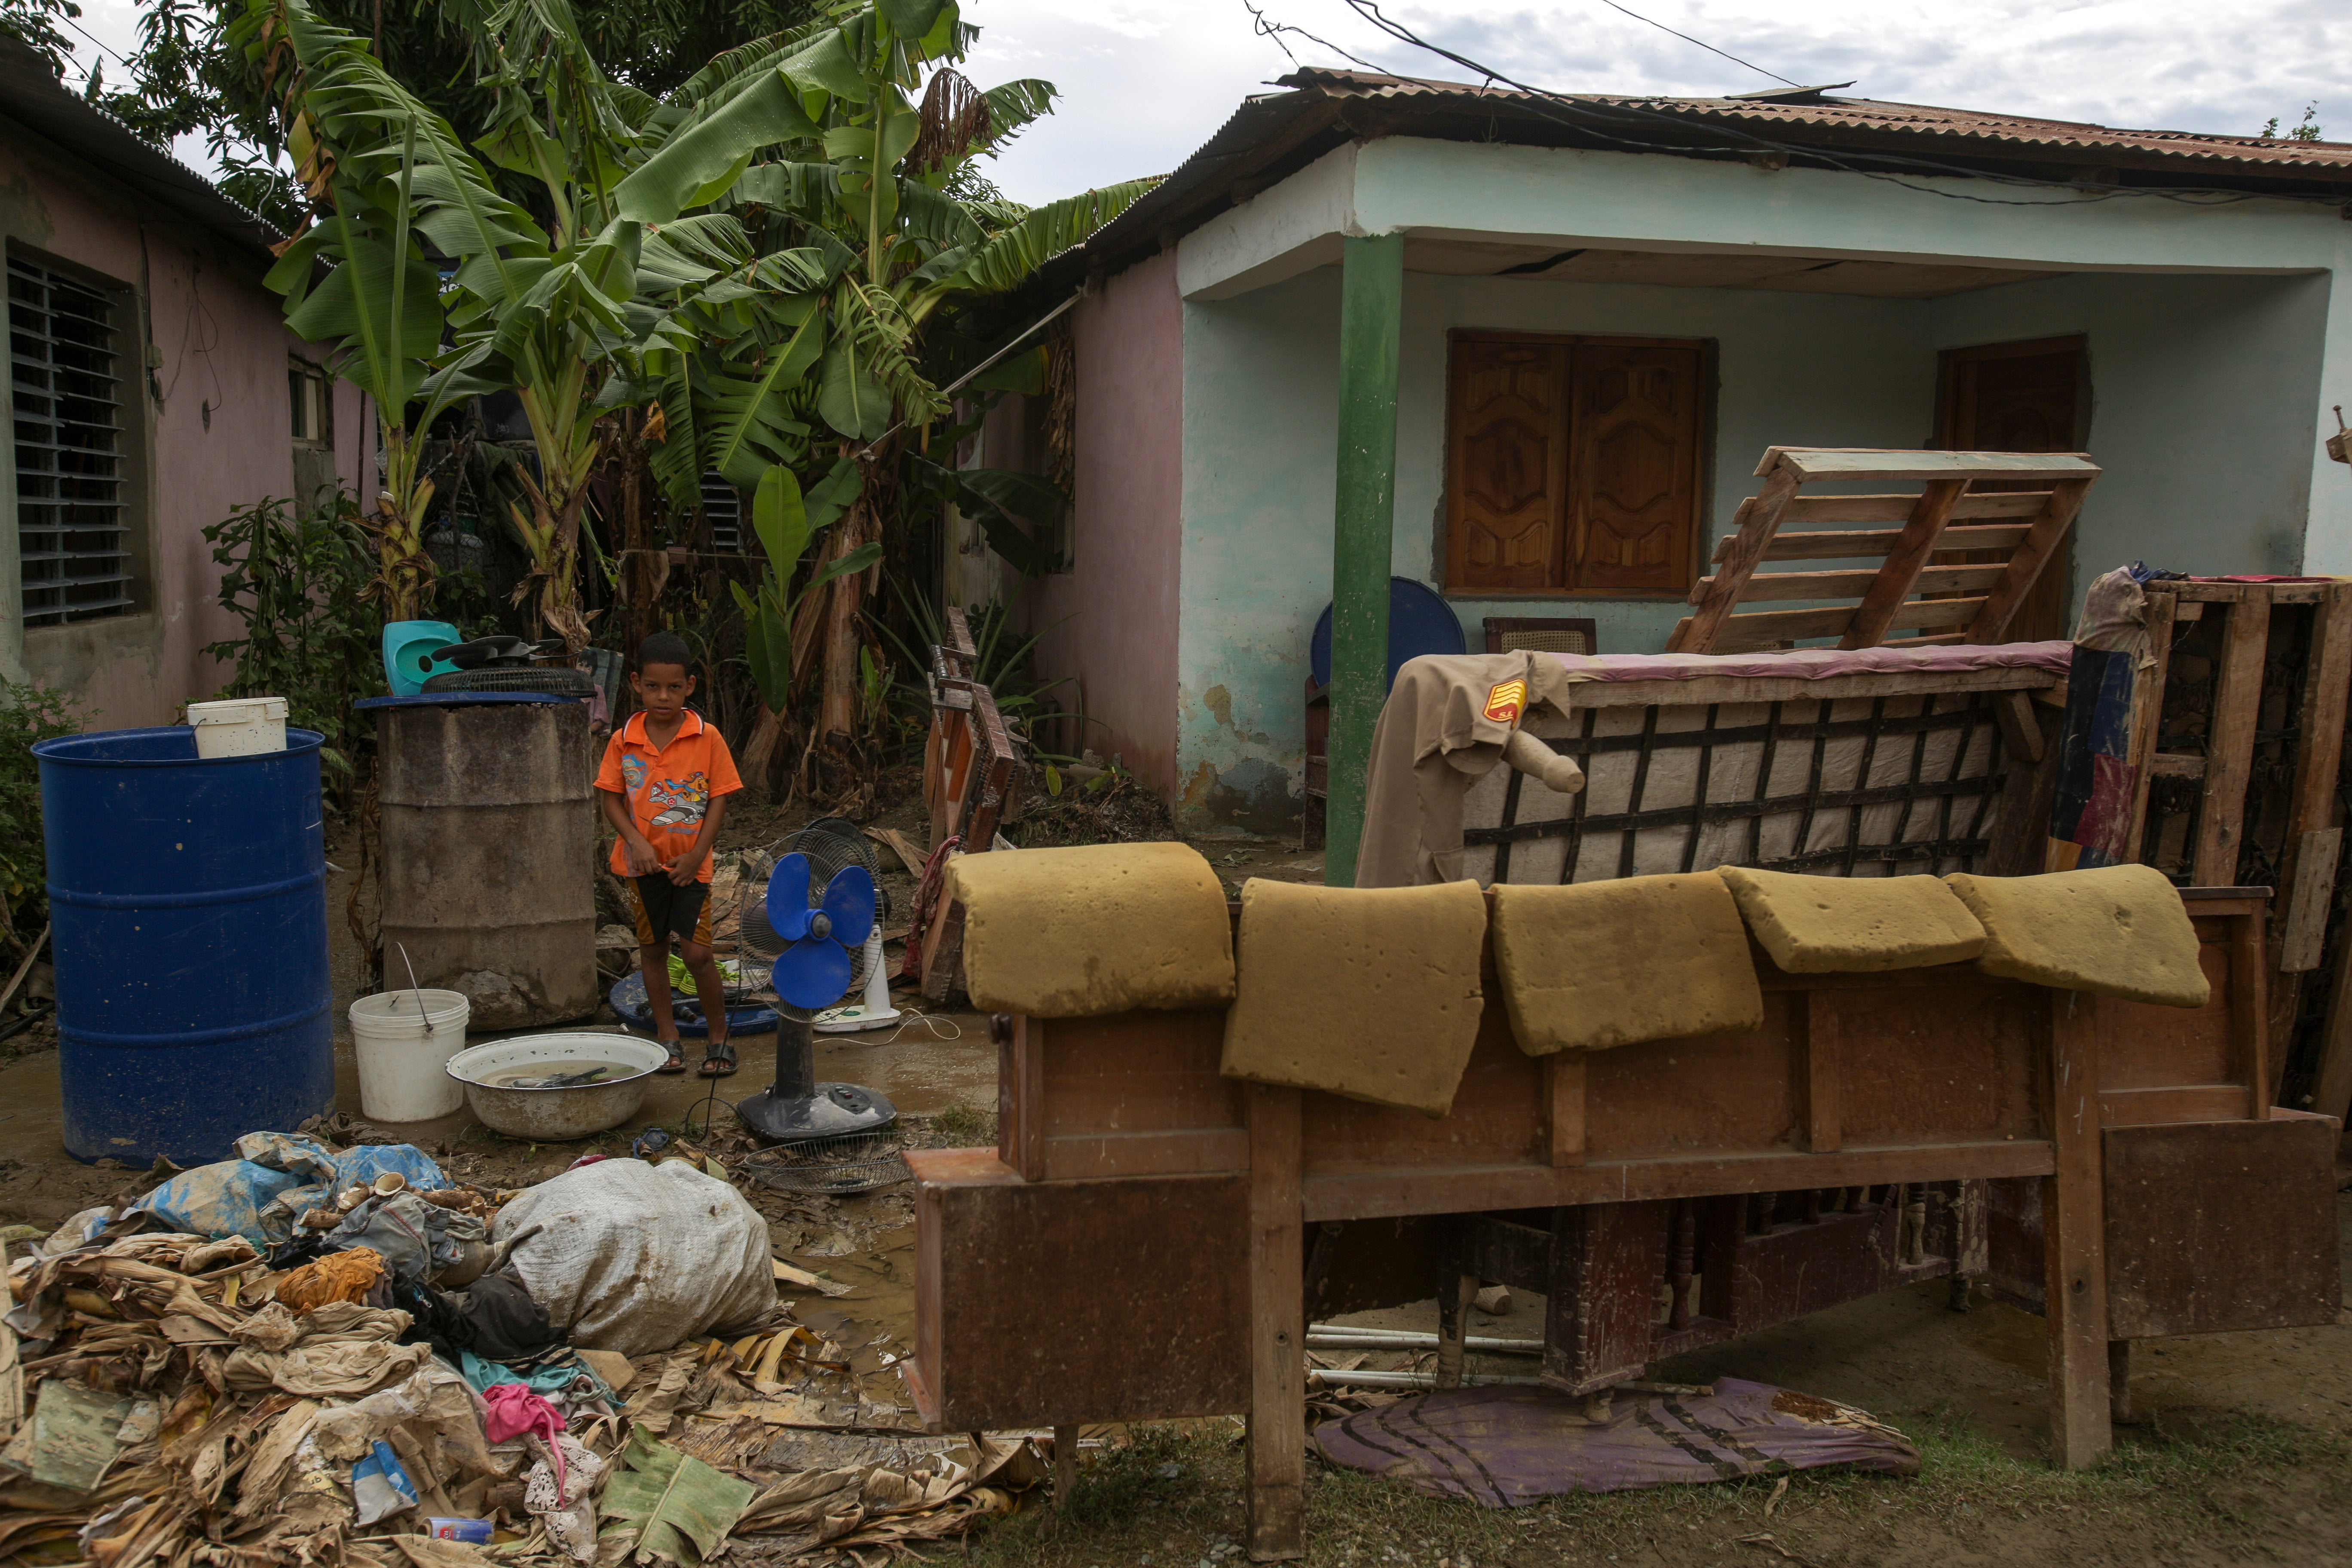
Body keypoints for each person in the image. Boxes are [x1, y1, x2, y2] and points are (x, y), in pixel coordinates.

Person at [594, 632, 744, 1076]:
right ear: (637, 684)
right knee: (653, 949)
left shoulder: (706, 737)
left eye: (674, 687)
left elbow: (719, 798)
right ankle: (667, 1037)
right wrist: (636, 842)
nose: (664, 696)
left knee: (697, 955)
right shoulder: (623, 740)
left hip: (690, 868)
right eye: (653, 687)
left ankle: (719, 1037)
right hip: (641, 867)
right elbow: (610, 799)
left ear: (689, 686)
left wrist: (698, 854)